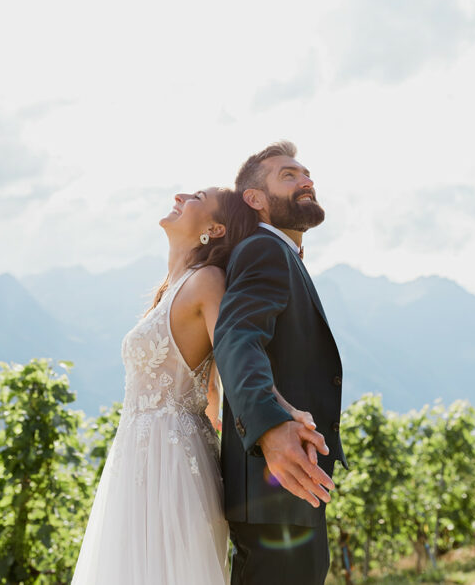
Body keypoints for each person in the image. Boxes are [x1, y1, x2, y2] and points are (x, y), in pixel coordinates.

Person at [71, 185, 319, 584]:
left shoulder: (206, 281)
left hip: (173, 459)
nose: (182, 194)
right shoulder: (170, 289)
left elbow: (236, 352)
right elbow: (210, 389)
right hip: (135, 455)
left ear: (216, 228)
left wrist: (282, 413)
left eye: (197, 198)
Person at [214, 141, 346, 585]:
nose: (306, 180)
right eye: (287, 175)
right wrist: (269, 427)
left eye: (306, 173)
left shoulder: (281, 254)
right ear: (255, 199)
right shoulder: (263, 250)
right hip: (274, 483)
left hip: (285, 486)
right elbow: (235, 336)